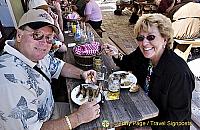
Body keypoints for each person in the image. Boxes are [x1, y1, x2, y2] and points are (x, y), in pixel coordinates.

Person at [0, 9, 100, 130]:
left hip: (51, 112)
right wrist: (78, 117)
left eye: (49, 38)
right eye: (37, 35)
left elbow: (58, 66)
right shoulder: (9, 79)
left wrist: (82, 73)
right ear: (19, 35)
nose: (44, 42)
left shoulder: (34, 54)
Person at [103, 13, 194, 130]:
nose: (144, 43)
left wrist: (149, 128)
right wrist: (116, 54)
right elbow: (127, 62)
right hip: (142, 110)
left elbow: (178, 116)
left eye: (151, 37)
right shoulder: (143, 54)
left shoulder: (179, 73)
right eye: (140, 38)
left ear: (165, 39)